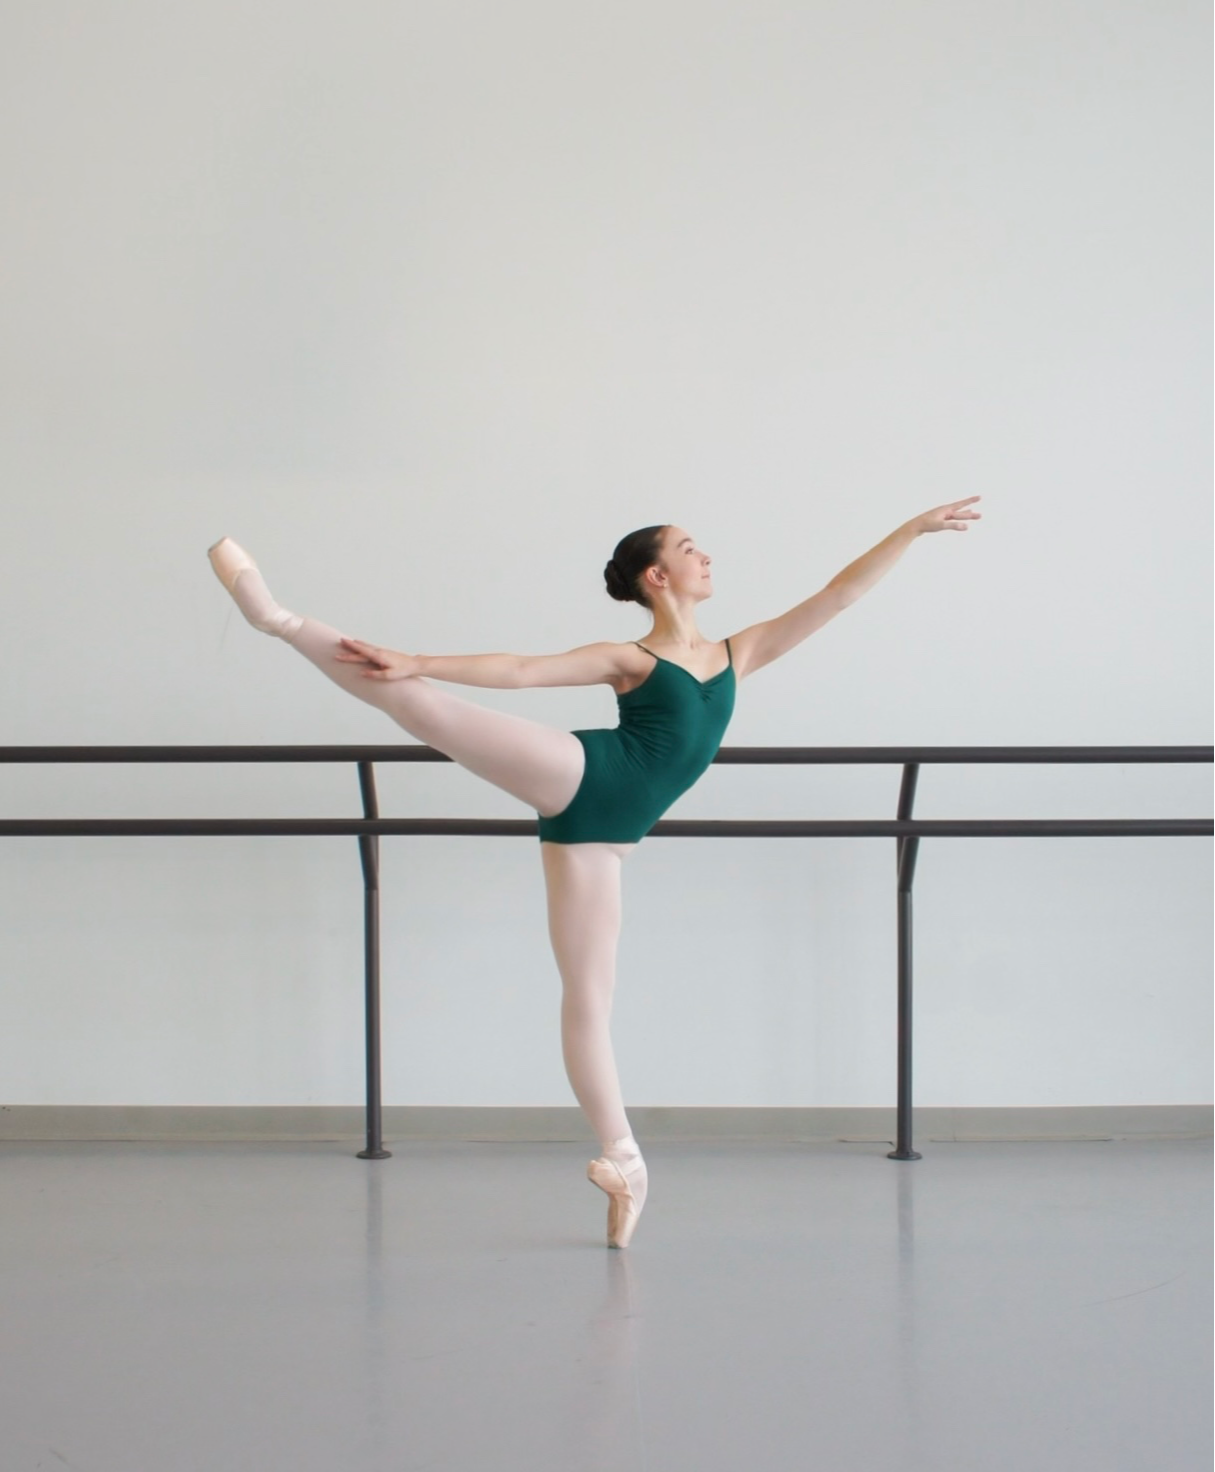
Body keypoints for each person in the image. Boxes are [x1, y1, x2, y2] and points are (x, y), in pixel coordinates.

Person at [208, 498, 980, 1247]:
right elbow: (520, 670)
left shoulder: (737, 654)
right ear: (656, 576)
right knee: (426, 708)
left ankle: (624, 1160)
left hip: (604, 839)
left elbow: (838, 595)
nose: (705, 556)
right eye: (688, 548)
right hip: (586, 774)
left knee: (587, 999)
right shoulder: (631, 658)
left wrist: (910, 530)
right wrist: (418, 661)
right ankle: (279, 620)